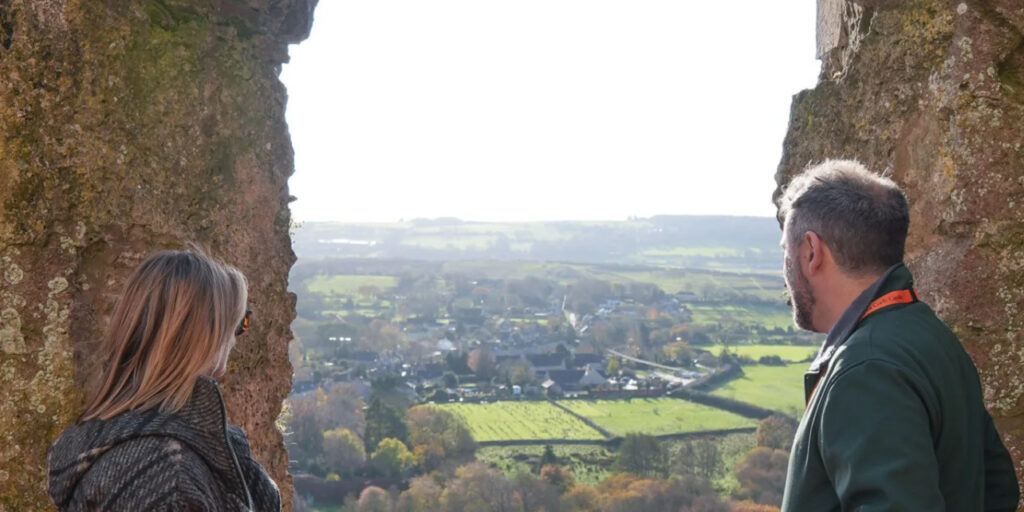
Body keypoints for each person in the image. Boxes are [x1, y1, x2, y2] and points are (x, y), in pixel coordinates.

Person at [777, 160, 1019, 511]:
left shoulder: (867, 369)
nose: (783, 270)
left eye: (786, 254)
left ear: (812, 252)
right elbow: (997, 488)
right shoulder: (929, 336)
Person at [47, 248, 281, 511]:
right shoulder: (170, 481)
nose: (236, 338)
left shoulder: (115, 439)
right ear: (205, 337)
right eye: (239, 324)